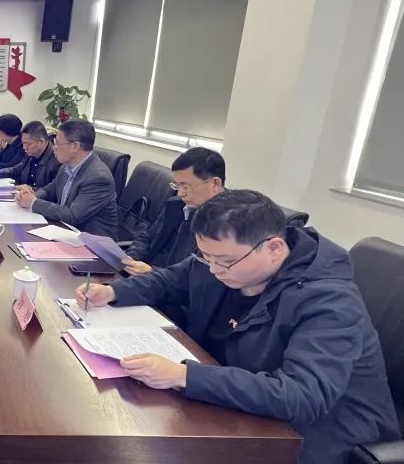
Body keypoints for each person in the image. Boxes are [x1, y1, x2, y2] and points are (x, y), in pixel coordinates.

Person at [76, 190, 399, 464]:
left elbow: (302, 396)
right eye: (207, 256)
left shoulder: (330, 302)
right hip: (240, 403)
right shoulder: (224, 259)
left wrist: (183, 375)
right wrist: (113, 292)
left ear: (274, 248)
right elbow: (171, 280)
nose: (213, 269)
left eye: (225, 261)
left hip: (320, 436)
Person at [123, 147, 226, 275]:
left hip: (165, 282)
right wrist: (132, 256)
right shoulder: (175, 205)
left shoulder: (225, 225)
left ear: (215, 183)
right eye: (177, 185)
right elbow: (147, 238)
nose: (180, 193)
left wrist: (152, 272)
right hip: (145, 277)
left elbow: (199, 277)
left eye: (186, 186)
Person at [15, 118, 118, 237]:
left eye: (57, 143)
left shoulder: (98, 178)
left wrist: (33, 202)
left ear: (75, 146)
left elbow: (72, 216)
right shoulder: (66, 166)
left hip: (91, 241)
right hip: (65, 231)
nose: (54, 147)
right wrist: (29, 195)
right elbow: (49, 190)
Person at [0, 120, 60, 190]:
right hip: (21, 195)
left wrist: (29, 190)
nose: (24, 147)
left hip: (34, 199)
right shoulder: (31, 154)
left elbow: (51, 192)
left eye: (28, 144)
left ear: (41, 142)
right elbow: (16, 169)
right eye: (23, 143)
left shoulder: (56, 160)